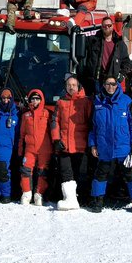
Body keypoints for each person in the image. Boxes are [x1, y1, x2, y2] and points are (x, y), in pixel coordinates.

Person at [89, 74, 132, 213]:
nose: (110, 87)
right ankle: (97, 202)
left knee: (130, 174)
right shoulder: (97, 102)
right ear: (103, 86)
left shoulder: (126, 101)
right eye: (107, 84)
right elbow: (92, 126)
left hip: (123, 147)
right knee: (100, 174)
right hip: (104, 146)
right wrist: (93, 144)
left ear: (117, 85)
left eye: (113, 84)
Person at [50, 74, 92, 211]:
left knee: (82, 173)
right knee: (66, 173)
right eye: (68, 85)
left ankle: (83, 198)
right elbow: (54, 122)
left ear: (78, 86)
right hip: (64, 144)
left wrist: (91, 143)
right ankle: (70, 199)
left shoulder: (86, 102)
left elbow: (91, 123)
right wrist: (56, 139)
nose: (71, 87)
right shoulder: (61, 102)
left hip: (81, 145)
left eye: (73, 85)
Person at [17, 88, 52, 205]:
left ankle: (39, 194)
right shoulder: (26, 115)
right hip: (30, 148)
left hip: (44, 148)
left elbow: (52, 131)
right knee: (26, 170)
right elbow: (22, 134)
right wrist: (20, 150)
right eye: (33, 99)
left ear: (41, 100)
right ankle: (26, 193)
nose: (35, 101)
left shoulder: (47, 113)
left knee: (43, 171)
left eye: (37, 99)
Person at [83, 17, 130, 93]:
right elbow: (80, 41)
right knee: (99, 102)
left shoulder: (120, 43)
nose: (107, 27)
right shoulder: (94, 41)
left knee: (114, 102)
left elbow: (126, 61)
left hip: (113, 81)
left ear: (112, 26)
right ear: (102, 27)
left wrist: (122, 74)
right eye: (104, 26)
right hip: (98, 80)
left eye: (109, 25)